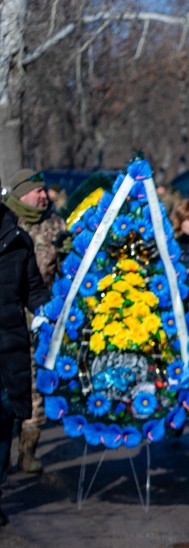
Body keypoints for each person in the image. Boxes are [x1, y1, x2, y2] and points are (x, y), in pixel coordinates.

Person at [5, 169, 64, 474]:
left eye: (44, 191)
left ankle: (27, 450)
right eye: (36, 191)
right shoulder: (7, 224)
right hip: (9, 317)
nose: (44, 196)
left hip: (40, 316)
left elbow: (65, 270)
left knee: (35, 384)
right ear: (20, 193)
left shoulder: (55, 225)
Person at [0, 181, 52, 521]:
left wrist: (44, 314)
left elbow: (32, 288)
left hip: (8, 344)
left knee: (5, 416)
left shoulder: (17, 240)